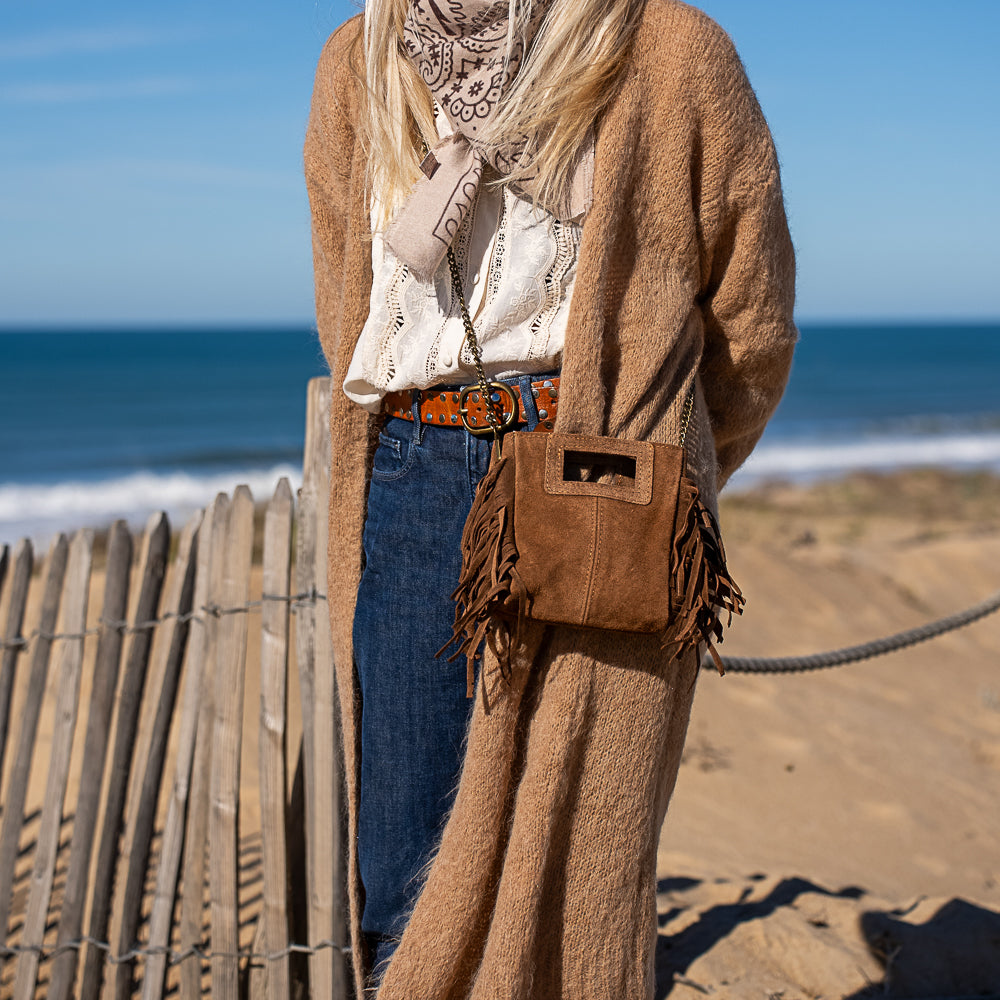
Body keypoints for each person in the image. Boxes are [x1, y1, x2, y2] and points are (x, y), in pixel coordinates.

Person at [305, 0, 797, 996]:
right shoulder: (359, 57)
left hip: (601, 471)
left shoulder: (669, 48)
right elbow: (344, 290)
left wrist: (674, 469)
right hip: (416, 459)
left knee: (573, 831)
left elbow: (749, 317)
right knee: (403, 830)